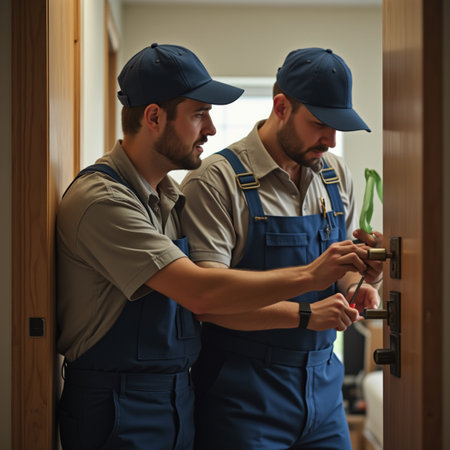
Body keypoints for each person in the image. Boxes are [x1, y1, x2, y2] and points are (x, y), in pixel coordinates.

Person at [56, 44, 373, 450]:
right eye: (198, 114)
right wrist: (310, 289)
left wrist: (354, 280)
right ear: (154, 117)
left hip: (178, 397)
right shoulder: (104, 201)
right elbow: (203, 294)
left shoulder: (165, 196)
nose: (210, 129)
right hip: (123, 403)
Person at [180, 47, 383, 449]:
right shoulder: (215, 181)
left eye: (338, 125)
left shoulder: (333, 172)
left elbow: (337, 270)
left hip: (324, 389)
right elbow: (208, 303)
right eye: (320, 123)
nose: (331, 139)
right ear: (281, 106)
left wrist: (357, 282)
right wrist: (307, 315)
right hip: (243, 393)